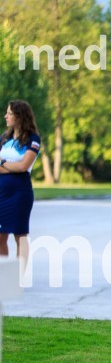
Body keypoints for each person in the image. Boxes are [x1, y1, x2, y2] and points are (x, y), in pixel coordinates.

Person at [0, 100, 40, 273]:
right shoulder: (4, 138)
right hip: (1, 193)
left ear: (19, 116)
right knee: (0, 236)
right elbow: (18, 166)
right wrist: (12, 165)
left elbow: (24, 166)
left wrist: (2, 162)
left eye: (9, 113)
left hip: (19, 193)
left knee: (20, 235)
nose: (5, 116)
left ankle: (19, 277)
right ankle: (4, 274)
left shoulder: (33, 139)